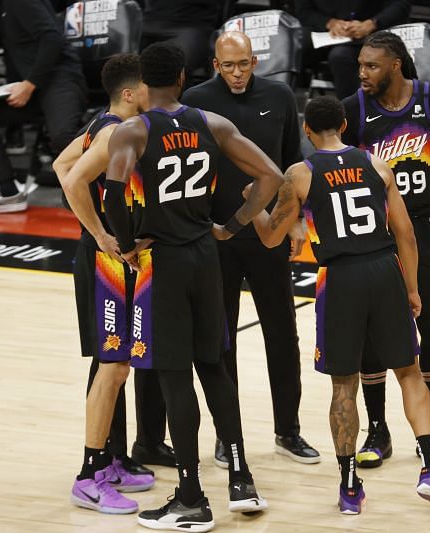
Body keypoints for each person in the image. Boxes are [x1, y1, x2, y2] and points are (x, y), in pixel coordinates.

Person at [249, 95, 430, 516]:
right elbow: (406, 235)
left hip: (339, 278)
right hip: (384, 269)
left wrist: (255, 204)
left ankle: (348, 487)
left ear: (308, 131)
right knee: (410, 374)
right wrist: (412, 289)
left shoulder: (301, 174)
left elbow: (273, 238)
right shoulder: (378, 166)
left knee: (344, 385)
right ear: (344, 125)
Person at [104, 42, 282, 531]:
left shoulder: (132, 131)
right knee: (214, 367)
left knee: (174, 374)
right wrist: (235, 223)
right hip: (207, 254)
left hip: (163, 258)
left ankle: (190, 497)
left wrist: (124, 243)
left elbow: (115, 194)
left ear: (143, 83)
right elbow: (271, 174)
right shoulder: (212, 123)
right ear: (183, 78)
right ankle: (242, 478)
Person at [181, 31, 320, 467]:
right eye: (228, 65)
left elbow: (292, 161)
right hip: (213, 237)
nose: (237, 73)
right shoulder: (195, 99)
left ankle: (288, 431)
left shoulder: (279, 96)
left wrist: (295, 220)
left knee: (282, 334)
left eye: (244, 64)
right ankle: (228, 435)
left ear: (255, 61)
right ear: (215, 65)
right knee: (220, 340)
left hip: (266, 237)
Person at [341, 31, 430, 468]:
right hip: (376, 236)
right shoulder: (352, 110)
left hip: (429, 228)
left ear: (396, 65)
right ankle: (377, 431)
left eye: (372, 66)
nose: (362, 73)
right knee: (372, 333)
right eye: (360, 65)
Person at [52, 53, 155, 515]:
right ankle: (88, 476)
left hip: (112, 257)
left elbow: (58, 163)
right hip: (105, 261)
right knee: (112, 365)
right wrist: (98, 233)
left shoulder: (102, 125)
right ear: (131, 92)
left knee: (114, 365)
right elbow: (71, 178)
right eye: (149, 86)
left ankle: (111, 458)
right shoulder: (114, 131)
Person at [0, 0, 87, 215]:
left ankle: (101, 193)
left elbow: (51, 38)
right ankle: (8, 191)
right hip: (32, 87)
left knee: (62, 136)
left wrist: (30, 84)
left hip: (60, 78)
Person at [296, 0, 410, 99]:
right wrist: (330, 23)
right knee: (293, 44)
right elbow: (303, 11)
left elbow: (401, 5)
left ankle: (356, 115)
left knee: (340, 56)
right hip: (325, 34)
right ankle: (283, 112)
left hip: (371, 33)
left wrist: (372, 23)